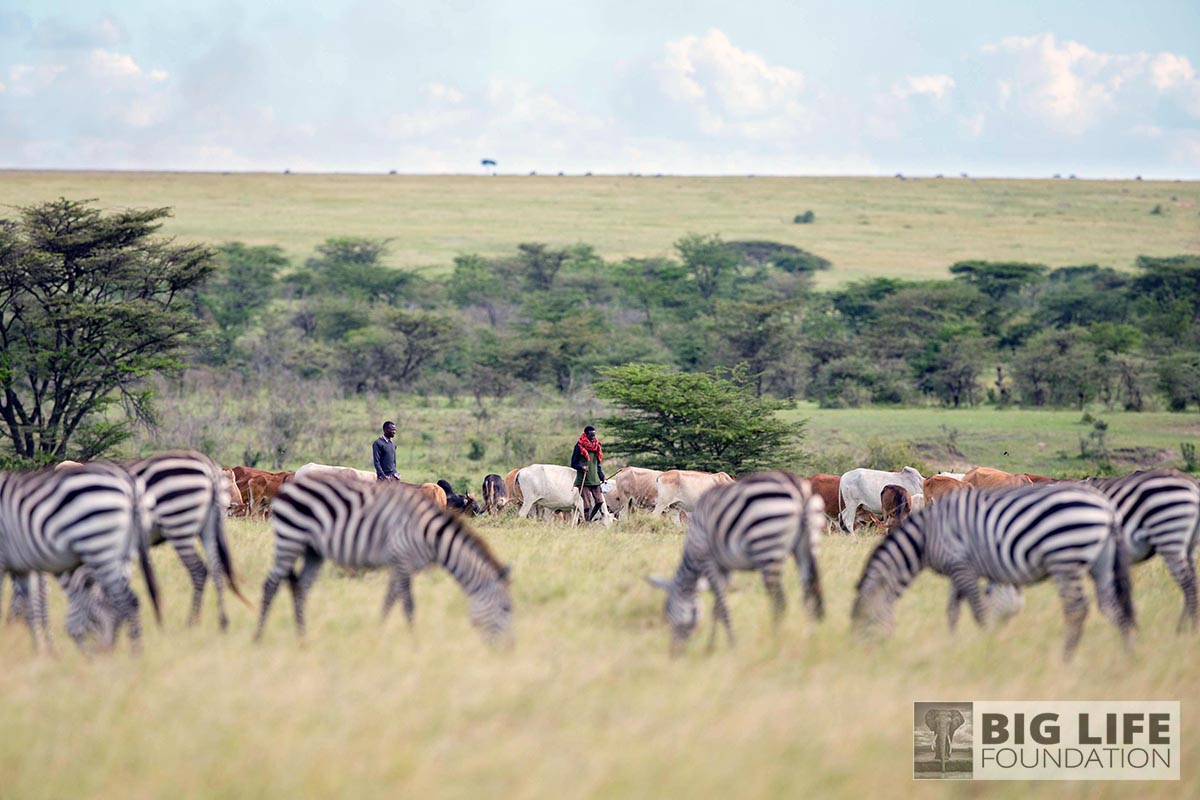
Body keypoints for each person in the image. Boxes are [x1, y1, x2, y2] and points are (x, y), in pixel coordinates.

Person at [570, 425, 607, 522]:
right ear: (586, 435)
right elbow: (573, 463)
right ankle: (587, 522)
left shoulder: (597, 446)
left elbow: (597, 464)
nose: (593, 437)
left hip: (595, 479)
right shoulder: (579, 446)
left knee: (599, 502)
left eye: (594, 435)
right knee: (587, 505)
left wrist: (602, 476)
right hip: (584, 479)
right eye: (591, 435)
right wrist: (581, 467)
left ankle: (588, 520)